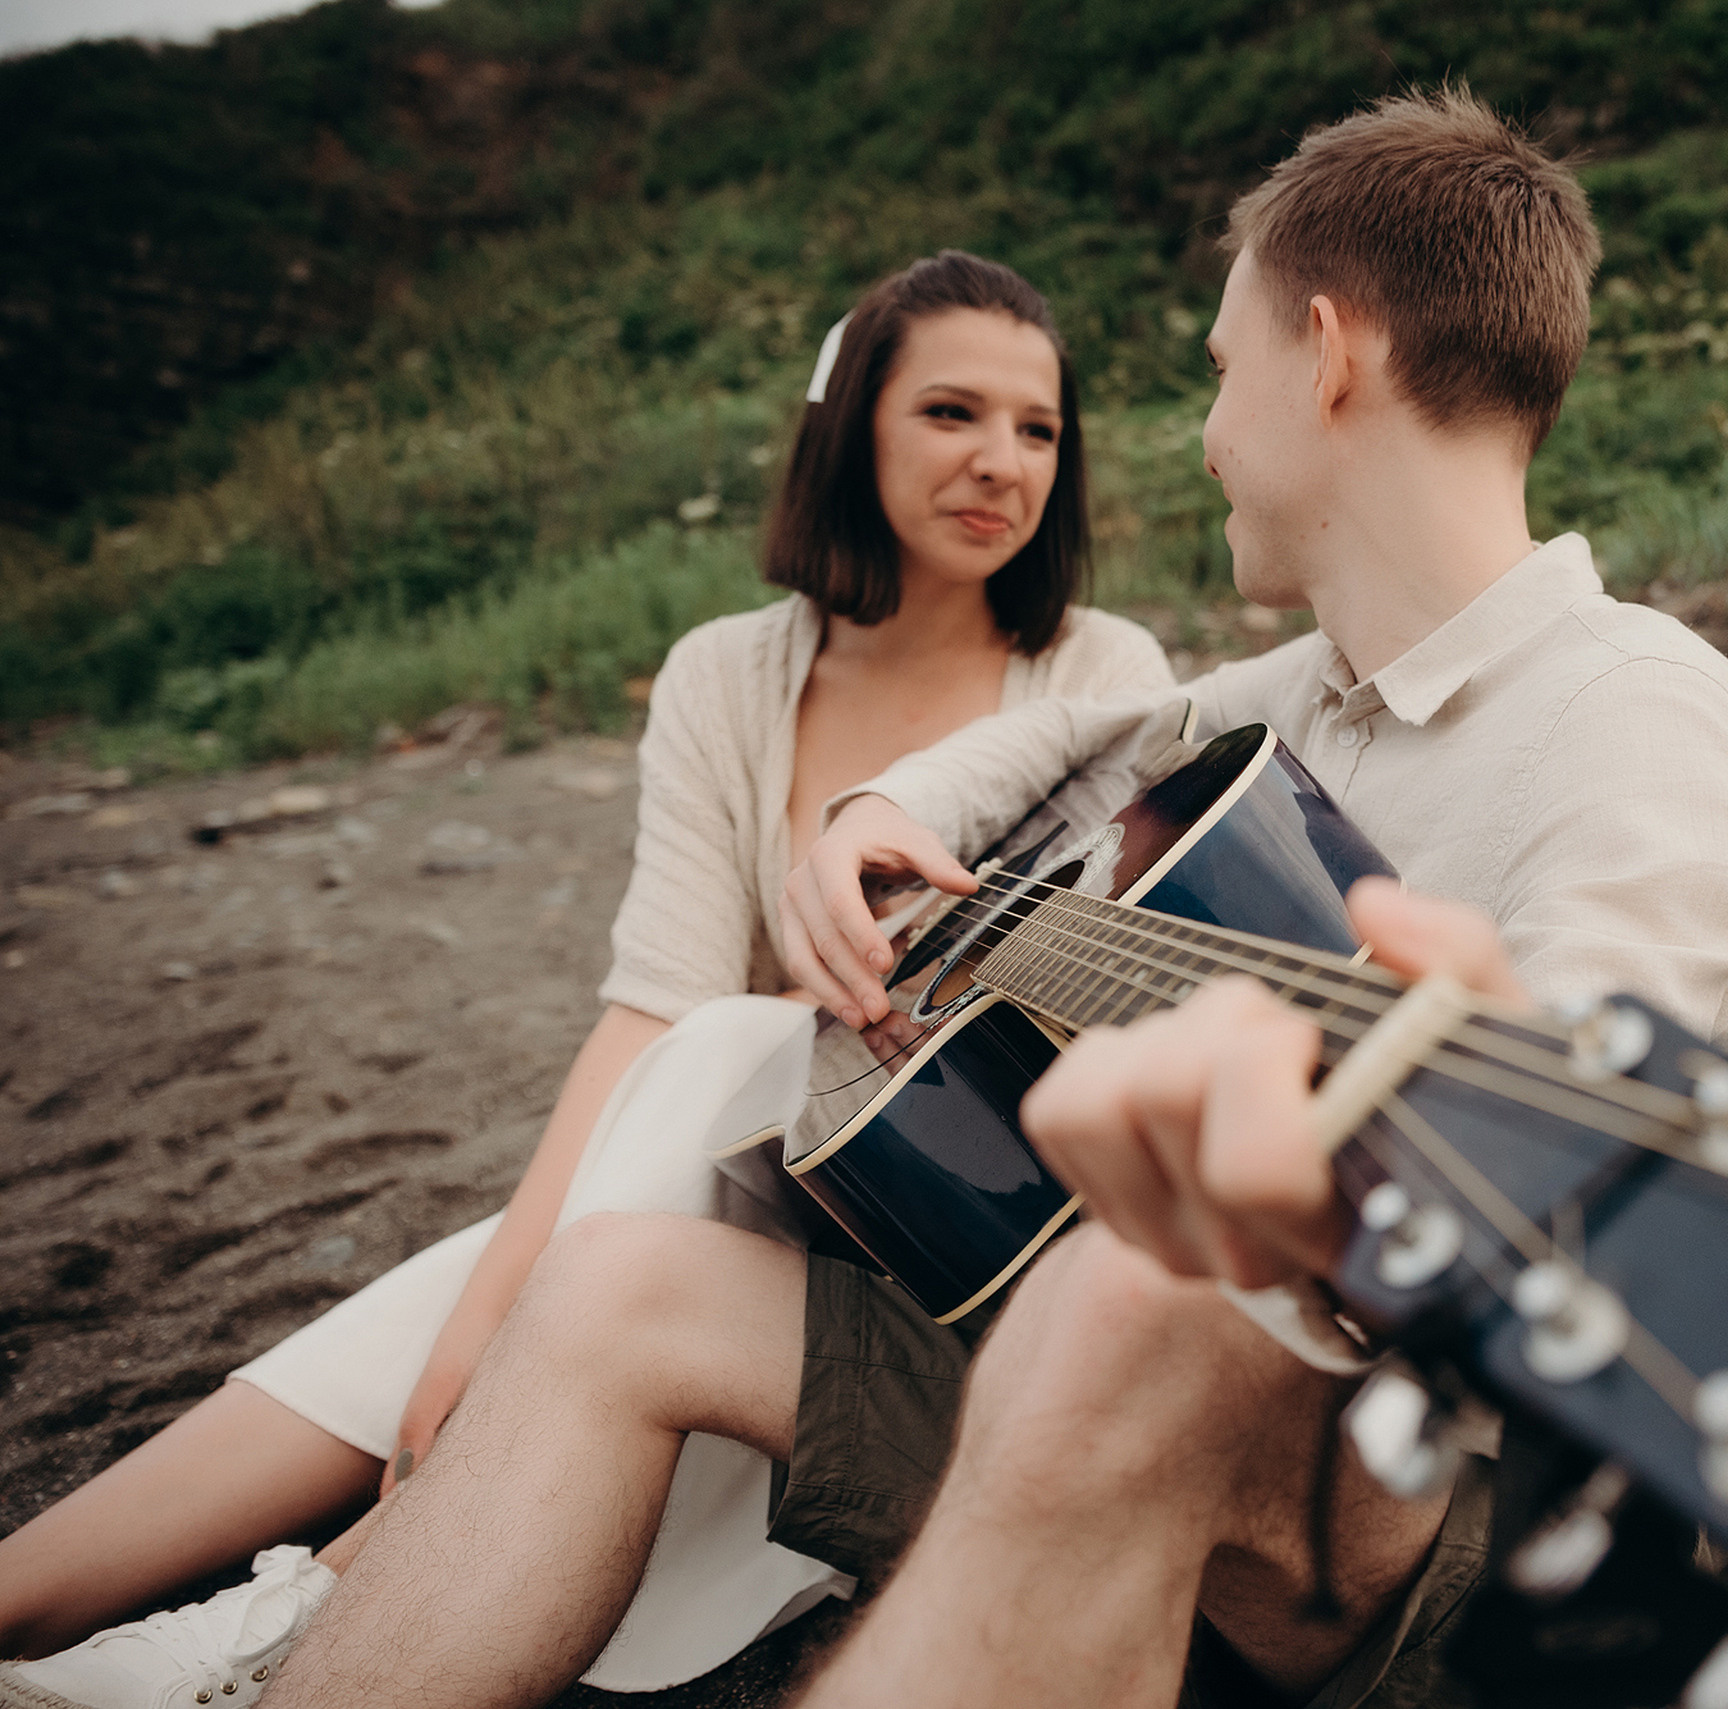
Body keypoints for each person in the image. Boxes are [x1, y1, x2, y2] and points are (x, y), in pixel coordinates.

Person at [256, 88, 1728, 1709]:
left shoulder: (1632, 706)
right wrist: (882, 811)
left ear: (1327, 356)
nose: (1206, 431)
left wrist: (1297, 1199)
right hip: (1188, 1380)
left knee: (1141, 1309)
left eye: (1221, 369)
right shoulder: (1313, 688)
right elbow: (1084, 735)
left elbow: (1586, 1189)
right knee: (612, 1281)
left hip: (1463, 1532)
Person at [0, 250, 1175, 1709]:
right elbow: (650, 1004)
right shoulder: (725, 676)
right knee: (484, 1269)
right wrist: (505, 1303)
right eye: (951, 412)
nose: (1003, 462)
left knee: (744, 1041)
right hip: (701, 1188)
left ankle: (310, 1612)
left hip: (907, 1251)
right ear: (852, 423)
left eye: (1039, 429)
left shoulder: (1097, 670)